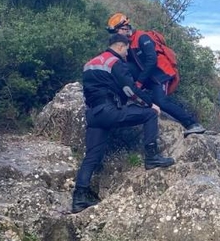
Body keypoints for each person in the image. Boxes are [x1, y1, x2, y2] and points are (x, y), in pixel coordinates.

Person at [71, 34, 175, 214]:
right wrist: (151, 104)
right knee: (150, 115)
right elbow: (130, 89)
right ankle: (151, 157)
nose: (127, 53)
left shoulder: (90, 63)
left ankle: (79, 198)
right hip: (110, 110)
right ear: (120, 47)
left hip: (94, 114)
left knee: (91, 156)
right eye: (127, 49)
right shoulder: (115, 63)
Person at [106, 13, 206, 138]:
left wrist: (140, 82)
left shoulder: (142, 37)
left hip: (160, 75)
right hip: (147, 77)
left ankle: (192, 123)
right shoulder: (127, 44)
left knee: (161, 102)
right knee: (123, 67)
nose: (116, 35)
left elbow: (151, 60)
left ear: (125, 28)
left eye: (117, 31)